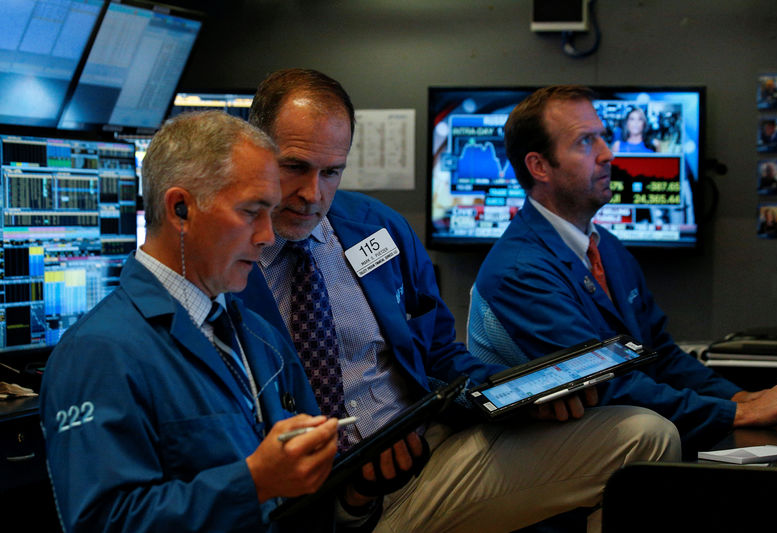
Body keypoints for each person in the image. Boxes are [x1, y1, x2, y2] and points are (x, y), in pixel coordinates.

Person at [237, 69, 681, 533]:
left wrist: (512, 395)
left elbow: (441, 354)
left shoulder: (376, 228)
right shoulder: (225, 259)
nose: (313, 195)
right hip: (325, 500)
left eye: (331, 172)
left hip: (428, 456)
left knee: (644, 435)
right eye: (294, 167)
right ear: (252, 148)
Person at [40, 111, 343, 532]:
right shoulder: (98, 353)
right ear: (180, 208)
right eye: (251, 212)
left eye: (269, 212)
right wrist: (251, 482)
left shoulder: (257, 334)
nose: (267, 236)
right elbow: (102, 522)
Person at [468, 85, 777, 455]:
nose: (608, 153)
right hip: (542, 458)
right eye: (585, 142)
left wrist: (743, 396)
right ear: (539, 166)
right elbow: (608, 387)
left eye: (603, 138)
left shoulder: (605, 247)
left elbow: (661, 355)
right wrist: (738, 413)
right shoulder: (520, 271)